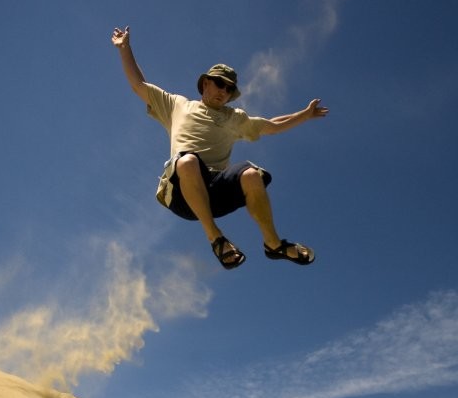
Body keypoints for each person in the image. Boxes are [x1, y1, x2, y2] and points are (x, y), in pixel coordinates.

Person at [111, 26, 328, 270]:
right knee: (188, 161)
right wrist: (124, 48)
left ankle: (274, 244)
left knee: (251, 174)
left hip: (215, 194)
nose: (223, 91)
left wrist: (305, 115)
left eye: (228, 89)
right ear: (205, 84)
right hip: (182, 193)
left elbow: (272, 126)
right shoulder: (177, 105)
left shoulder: (234, 118)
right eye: (218, 84)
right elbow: (139, 84)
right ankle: (216, 239)